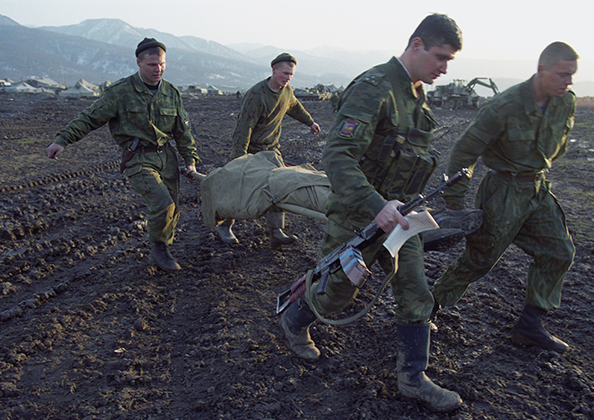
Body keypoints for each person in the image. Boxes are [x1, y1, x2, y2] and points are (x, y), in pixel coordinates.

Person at [279, 14, 463, 412]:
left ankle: (413, 379)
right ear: (416, 45)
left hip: (401, 218)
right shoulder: (374, 87)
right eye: (440, 57)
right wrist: (376, 205)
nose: (445, 69)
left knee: (416, 293)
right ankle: (295, 321)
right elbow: (338, 156)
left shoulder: (416, 95)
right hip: (357, 215)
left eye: (450, 61)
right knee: (336, 295)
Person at [431, 42, 579, 354]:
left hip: (537, 190)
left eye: (572, 76)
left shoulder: (564, 103)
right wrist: (455, 203)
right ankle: (425, 309)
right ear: (541, 70)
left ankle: (529, 325)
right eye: (563, 75)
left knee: (559, 251)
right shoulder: (504, 106)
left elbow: (559, 145)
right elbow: (464, 150)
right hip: (502, 191)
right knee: (479, 260)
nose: (569, 82)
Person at [47, 38, 199, 272]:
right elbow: (89, 118)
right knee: (162, 202)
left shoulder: (171, 92)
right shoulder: (120, 92)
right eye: (151, 65)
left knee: (173, 208)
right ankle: (159, 248)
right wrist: (62, 139)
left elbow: (182, 130)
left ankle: (162, 247)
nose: (157, 69)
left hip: (166, 157)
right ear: (138, 63)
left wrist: (189, 160)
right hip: (138, 158)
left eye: (161, 64)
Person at [215, 52, 321, 247]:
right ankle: (225, 225)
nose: (288, 77)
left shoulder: (287, 91)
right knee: (240, 187)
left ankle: (276, 231)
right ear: (274, 70)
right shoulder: (256, 95)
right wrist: (239, 158)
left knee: (278, 185)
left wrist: (310, 122)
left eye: (291, 74)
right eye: (284, 73)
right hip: (252, 149)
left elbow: (295, 106)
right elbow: (244, 127)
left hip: (272, 149)